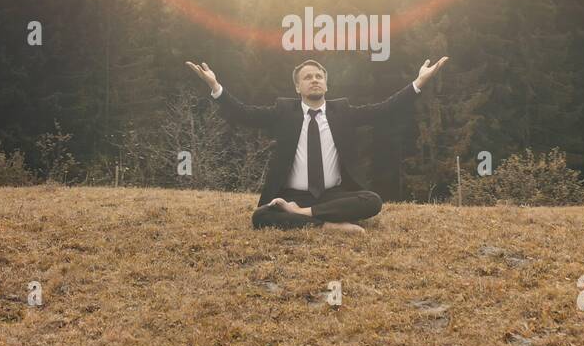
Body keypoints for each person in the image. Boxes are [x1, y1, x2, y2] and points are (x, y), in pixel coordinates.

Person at [184, 57, 449, 232]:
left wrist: (419, 83)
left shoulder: (342, 111)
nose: (314, 80)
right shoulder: (283, 111)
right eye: (307, 77)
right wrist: (216, 87)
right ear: (298, 87)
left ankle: (303, 215)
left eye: (319, 76)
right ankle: (328, 225)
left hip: (331, 194)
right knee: (261, 217)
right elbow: (243, 113)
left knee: (372, 201)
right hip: (291, 195)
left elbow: (385, 109)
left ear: (326, 84)